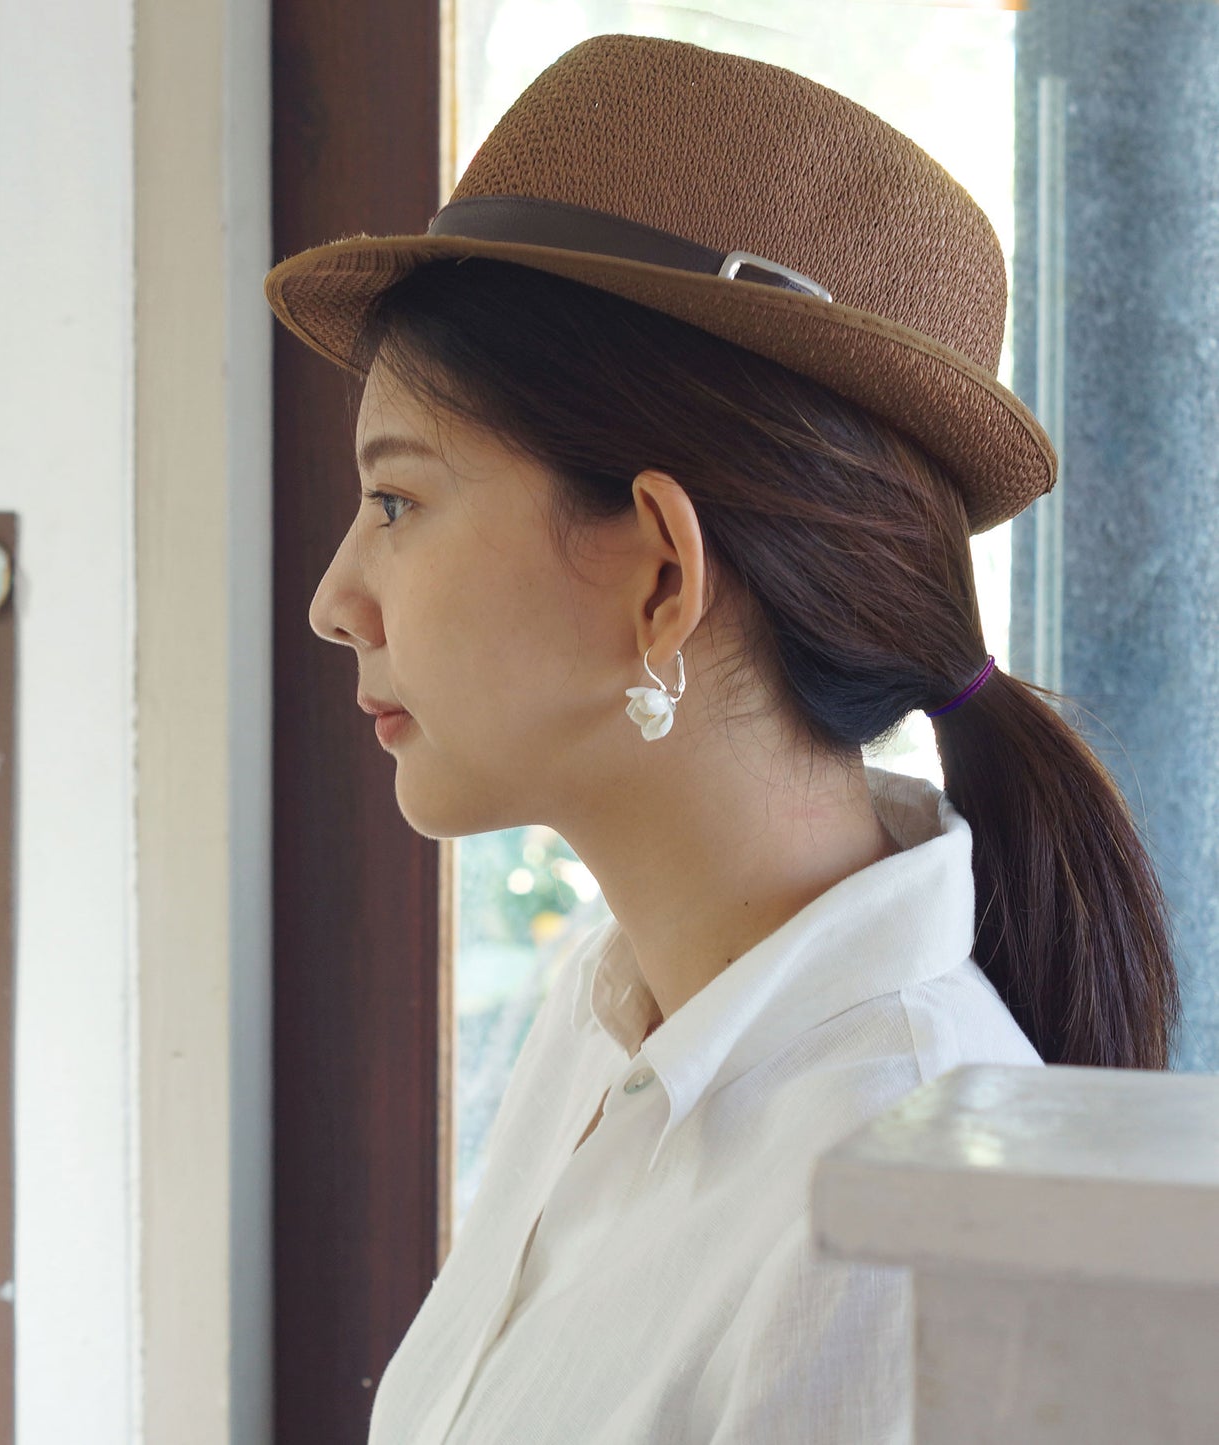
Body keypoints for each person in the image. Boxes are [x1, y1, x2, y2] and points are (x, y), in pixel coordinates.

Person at [265, 32, 1181, 1445]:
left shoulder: (901, 1223)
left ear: (660, 578)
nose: (336, 601)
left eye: (396, 502)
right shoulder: (607, 1010)